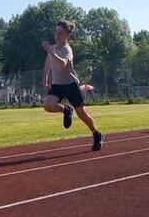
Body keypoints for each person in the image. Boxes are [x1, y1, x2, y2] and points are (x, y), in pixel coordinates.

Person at [42, 20, 105, 151]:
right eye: (56, 32)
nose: (57, 35)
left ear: (67, 35)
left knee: (82, 114)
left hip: (70, 84)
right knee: (48, 105)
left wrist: (50, 51)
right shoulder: (52, 49)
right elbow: (48, 63)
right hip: (57, 85)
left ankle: (97, 134)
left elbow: (62, 64)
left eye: (60, 32)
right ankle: (66, 110)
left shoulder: (67, 49)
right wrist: (45, 78)